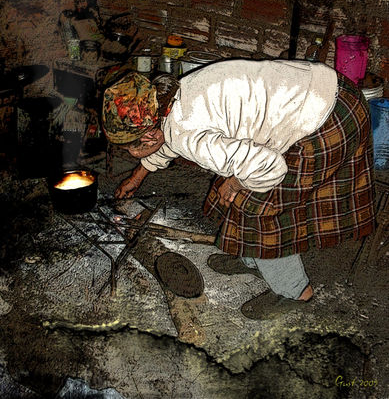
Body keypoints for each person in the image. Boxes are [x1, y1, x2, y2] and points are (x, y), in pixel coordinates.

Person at [102, 60, 376, 318]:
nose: (130, 154)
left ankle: (294, 292)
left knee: (261, 211)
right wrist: (139, 174)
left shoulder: (188, 136)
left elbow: (270, 167)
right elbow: (169, 139)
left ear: (149, 134)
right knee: (242, 193)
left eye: (130, 148)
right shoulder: (169, 101)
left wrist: (234, 183)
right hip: (324, 89)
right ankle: (254, 260)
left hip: (327, 118)